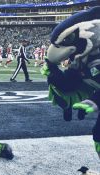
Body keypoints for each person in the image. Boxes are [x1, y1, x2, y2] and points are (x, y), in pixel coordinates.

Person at [40, 6, 100, 159]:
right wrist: (54, 73)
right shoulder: (85, 59)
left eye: (70, 39)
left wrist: (96, 100)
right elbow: (70, 83)